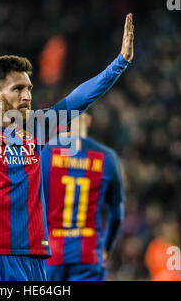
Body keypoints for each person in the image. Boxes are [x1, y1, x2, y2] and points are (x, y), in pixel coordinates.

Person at [0, 0, 134, 281]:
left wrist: (119, 63)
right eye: (19, 89)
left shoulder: (37, 128)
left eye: (30, 88)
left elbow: (78, 99)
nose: (28, 96)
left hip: (32, 258)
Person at [41, 113, 125, 281]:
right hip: (88, 251)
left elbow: (32, 203)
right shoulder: (107, 157)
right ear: (88, 120)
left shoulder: (46, 152)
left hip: (52, 252)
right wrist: (107, 247)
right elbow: (116, 215)